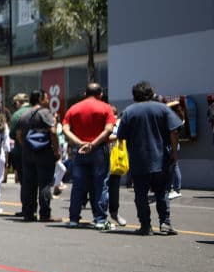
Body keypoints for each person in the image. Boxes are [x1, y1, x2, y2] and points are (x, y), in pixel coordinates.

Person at [118, 81, 183, 235]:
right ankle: (165, 223)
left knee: (140, 194)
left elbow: (121, 136)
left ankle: (145, 226)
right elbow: (175, 131)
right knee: (162, 192)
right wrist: (174, 152)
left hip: (138, 161)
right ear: (152, 93)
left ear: (134, 96)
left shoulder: (128, 111)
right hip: (161, 159)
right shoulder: (162, 108)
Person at [62, 83, 116, 230]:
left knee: (78, 185)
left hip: (79, 151)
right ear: (101, 94)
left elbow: (65, 129)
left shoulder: (74, 108)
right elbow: (109, 129)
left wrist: (80, 143)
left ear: (85, 94)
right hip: (99, 150)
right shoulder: (106, 107)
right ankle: (100, 220)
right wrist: (93, 143)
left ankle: (73, 219)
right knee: (101, 184)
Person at [16, 89, 60, 223]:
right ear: (40, 99)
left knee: (29, 184)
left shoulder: (23, 115)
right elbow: (52, 131)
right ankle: (45, 214)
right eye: (46, 98)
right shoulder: (44, 112)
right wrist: (56, 150)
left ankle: (28, 213)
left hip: (27, 154)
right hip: (44, 153)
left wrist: (26, 145)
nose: (47, 100)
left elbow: (18, 134)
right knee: (45, 184)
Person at [8, 93, 31, 193]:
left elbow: (12, 135)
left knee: (24, 181)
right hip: (38, 150)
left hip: (21, 150)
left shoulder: (17, 115)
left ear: (18, 102)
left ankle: (27, 206)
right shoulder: (38, 111)